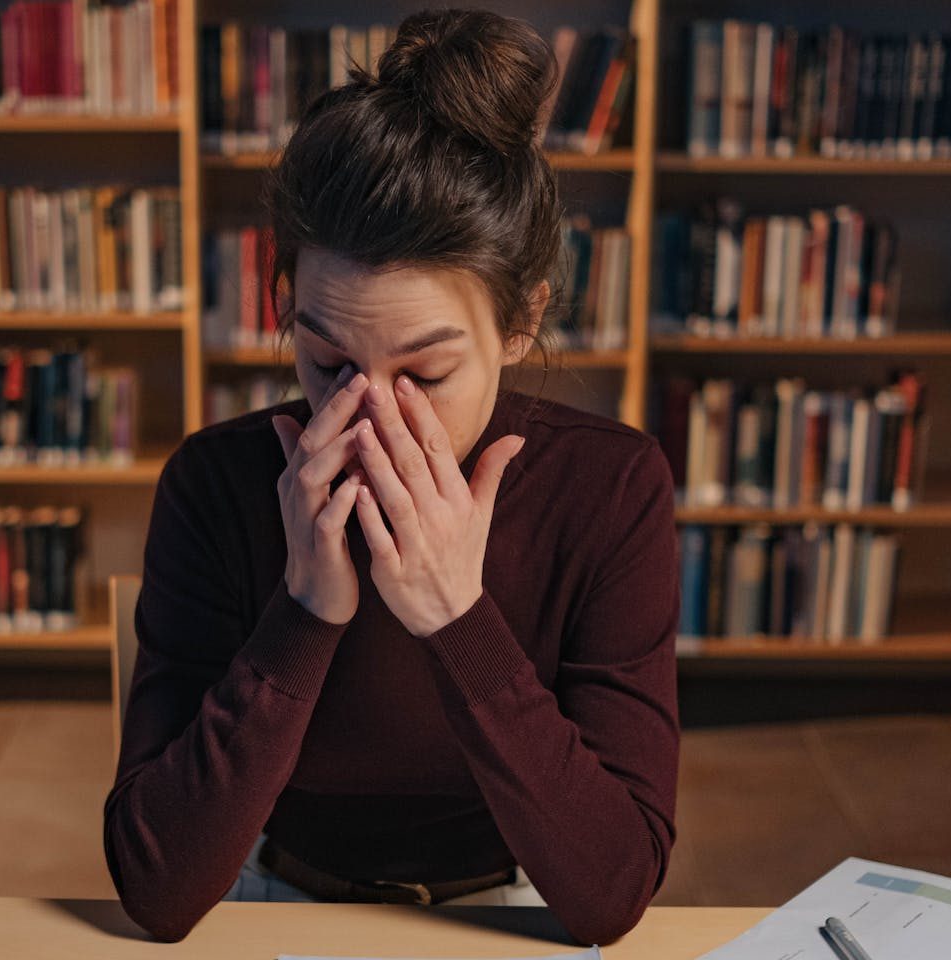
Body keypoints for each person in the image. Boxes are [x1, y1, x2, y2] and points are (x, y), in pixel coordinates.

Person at [103, 7, 680, 947]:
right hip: (272, 902)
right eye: (328, 361)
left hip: (509, 913)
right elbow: (157, 890)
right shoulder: (217, 485)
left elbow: (611, 892)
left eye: (426, 373)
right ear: (285, 306)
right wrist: (303, 612)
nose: (369, 415)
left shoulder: (609, 491)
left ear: (521, 323)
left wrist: (458, 618)